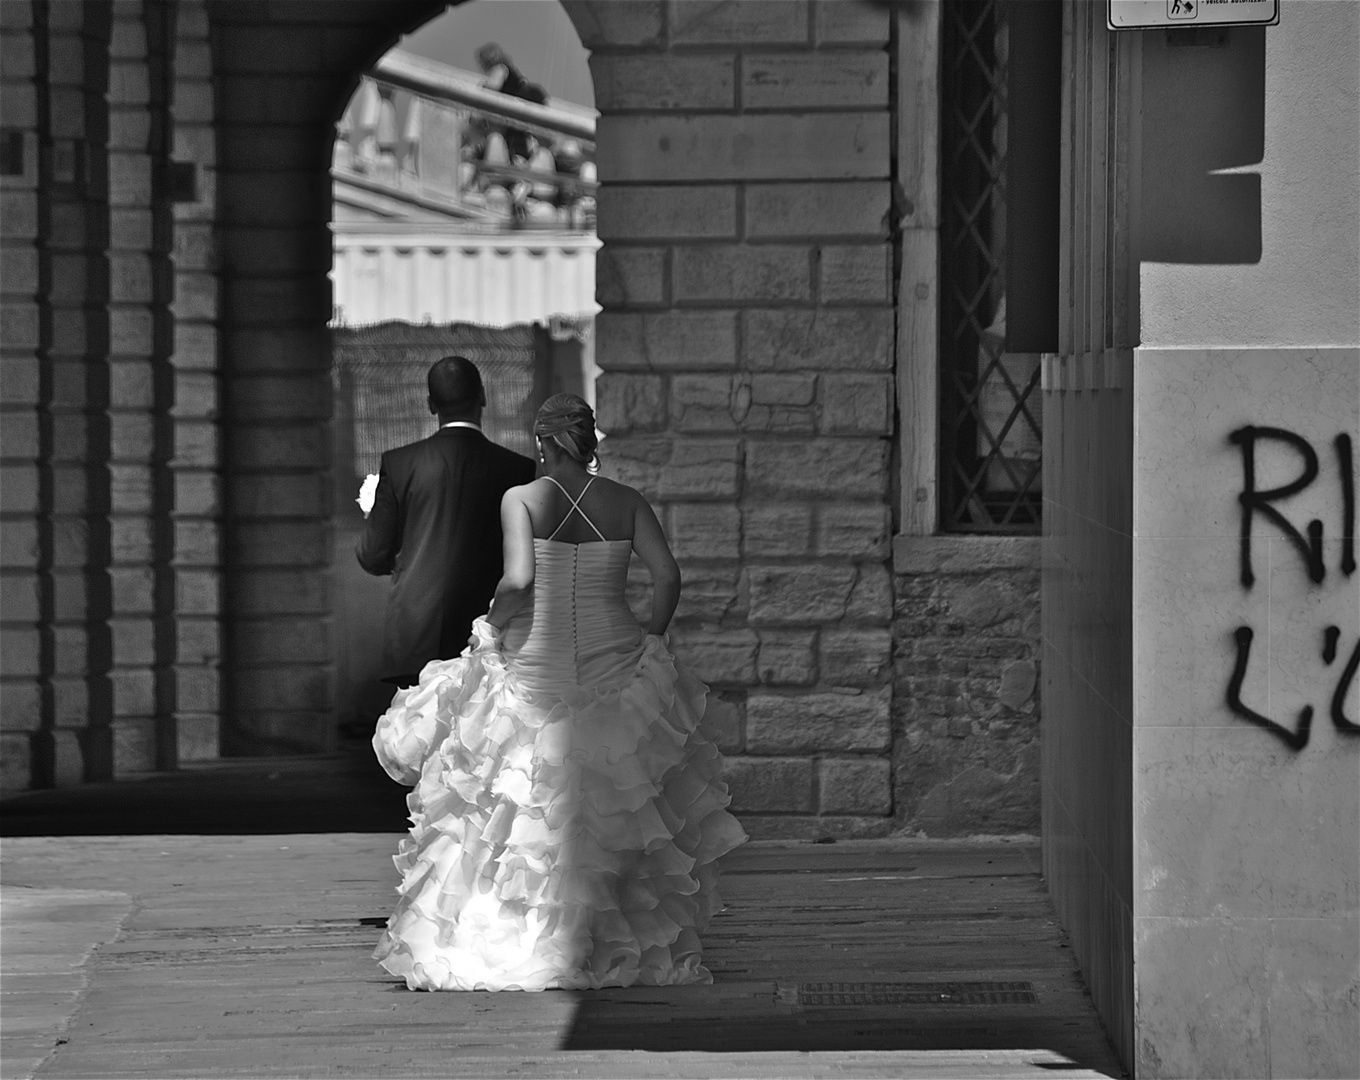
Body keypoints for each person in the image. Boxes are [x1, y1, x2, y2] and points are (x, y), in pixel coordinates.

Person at [371, 393, 748, 991]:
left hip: (533, 667)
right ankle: (609, 941)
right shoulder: (626, 501)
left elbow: (519, 581)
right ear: (588, 439)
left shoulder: (521, 499)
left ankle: (518, 933)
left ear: (543, 443)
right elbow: (668, 576)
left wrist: (492, 625)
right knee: (617, 807)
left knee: (514, 802)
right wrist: (652, 638)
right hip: (616, 663)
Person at [356, 356, 536, 687]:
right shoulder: (518, 470)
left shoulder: (399, 464)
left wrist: (404, 556)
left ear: (430, 404)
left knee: (416, 735)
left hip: (415, 635)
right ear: (482, 396)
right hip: (488, 632)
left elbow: (372, 556)